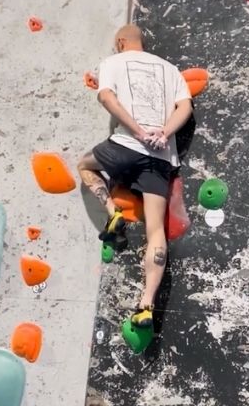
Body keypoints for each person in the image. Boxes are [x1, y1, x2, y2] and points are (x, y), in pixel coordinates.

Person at [76, 24, 192, 328]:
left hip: (125, 146)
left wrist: (138, 132)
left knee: (85, 166)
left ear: (120, 42)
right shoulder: (170, 69)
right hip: (160, 158)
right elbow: (185, 107)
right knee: (156, 231)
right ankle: (146, 305)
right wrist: (163, 133)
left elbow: (107, 98)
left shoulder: (113, 62)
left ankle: (113, 213)